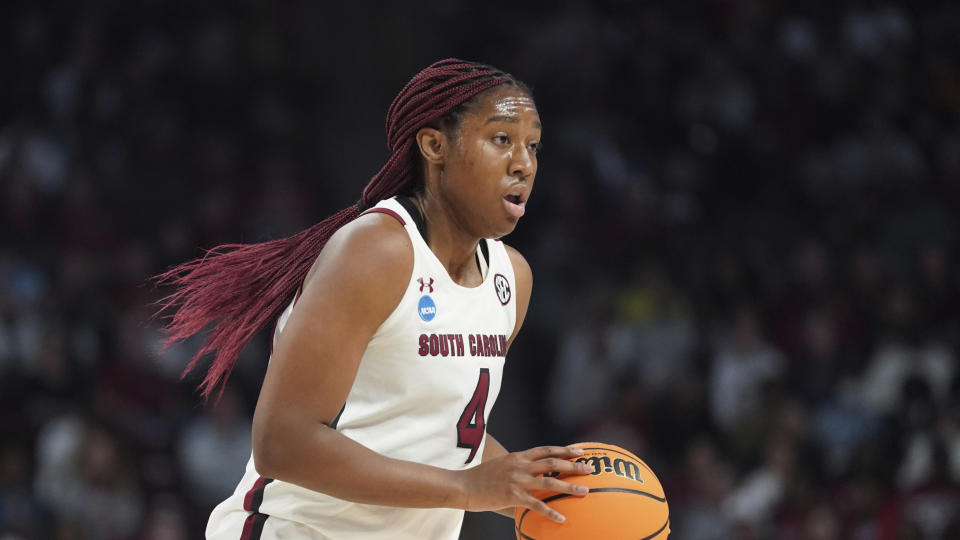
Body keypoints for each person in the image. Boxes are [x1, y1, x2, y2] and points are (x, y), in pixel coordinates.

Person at [155, 59, 592, 539]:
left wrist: (537, 497)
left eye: (533, 146)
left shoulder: (513, 278)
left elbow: (445, 432)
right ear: (434, 146)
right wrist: (467, 488)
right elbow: (281, 442)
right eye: (501, 139)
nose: (524, 163)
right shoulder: (376, 250)